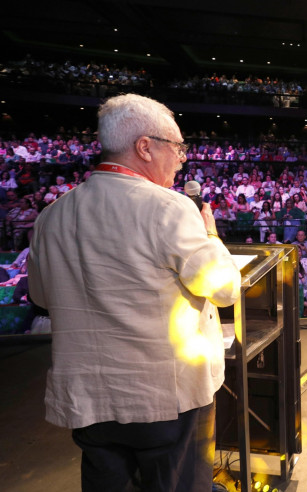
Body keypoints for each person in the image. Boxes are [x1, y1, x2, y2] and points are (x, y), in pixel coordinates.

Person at [28, 94, 242, 491]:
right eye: (177, 147)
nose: (181, 159)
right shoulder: (170, 209)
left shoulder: (50, 216)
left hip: (89, 402)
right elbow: (225, 287)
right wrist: (210, 233)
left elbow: (42, 297)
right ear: (145, 147)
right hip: (165, 398)